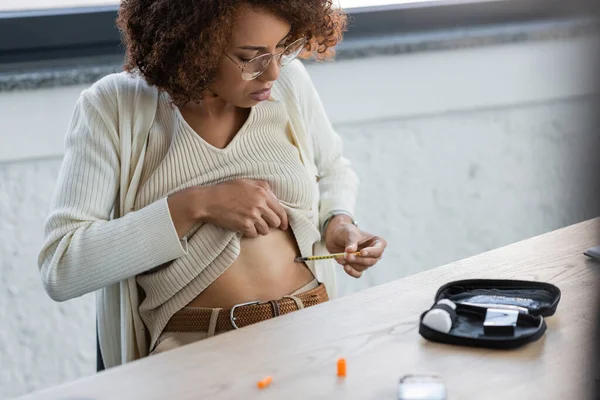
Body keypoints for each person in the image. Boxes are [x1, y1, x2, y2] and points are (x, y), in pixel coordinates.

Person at [38, 0, 387, 368]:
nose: (272, 74)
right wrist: (197, 204)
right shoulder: (114, 107)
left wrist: (338, 222)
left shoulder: (289, 84)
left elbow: (333, 169)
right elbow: (62, 268)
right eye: (251, 57)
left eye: (283, 47)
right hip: (196, 356)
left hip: (313, 326)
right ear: (195, 45)